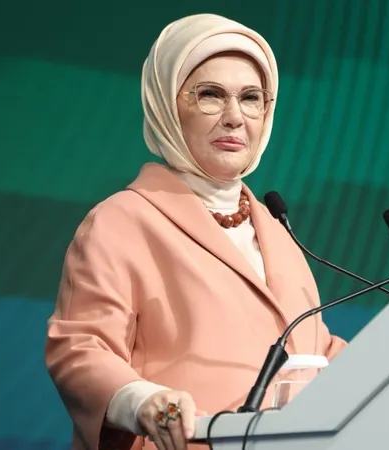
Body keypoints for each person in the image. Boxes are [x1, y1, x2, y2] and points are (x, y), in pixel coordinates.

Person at [44, 13, 347, 450]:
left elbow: (314, 352)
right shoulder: (121, 220)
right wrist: (142, 401)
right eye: (210, 95)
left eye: (251, 98)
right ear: (166, 105)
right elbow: (79, 347)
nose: (234, 117)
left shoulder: (278, 232)